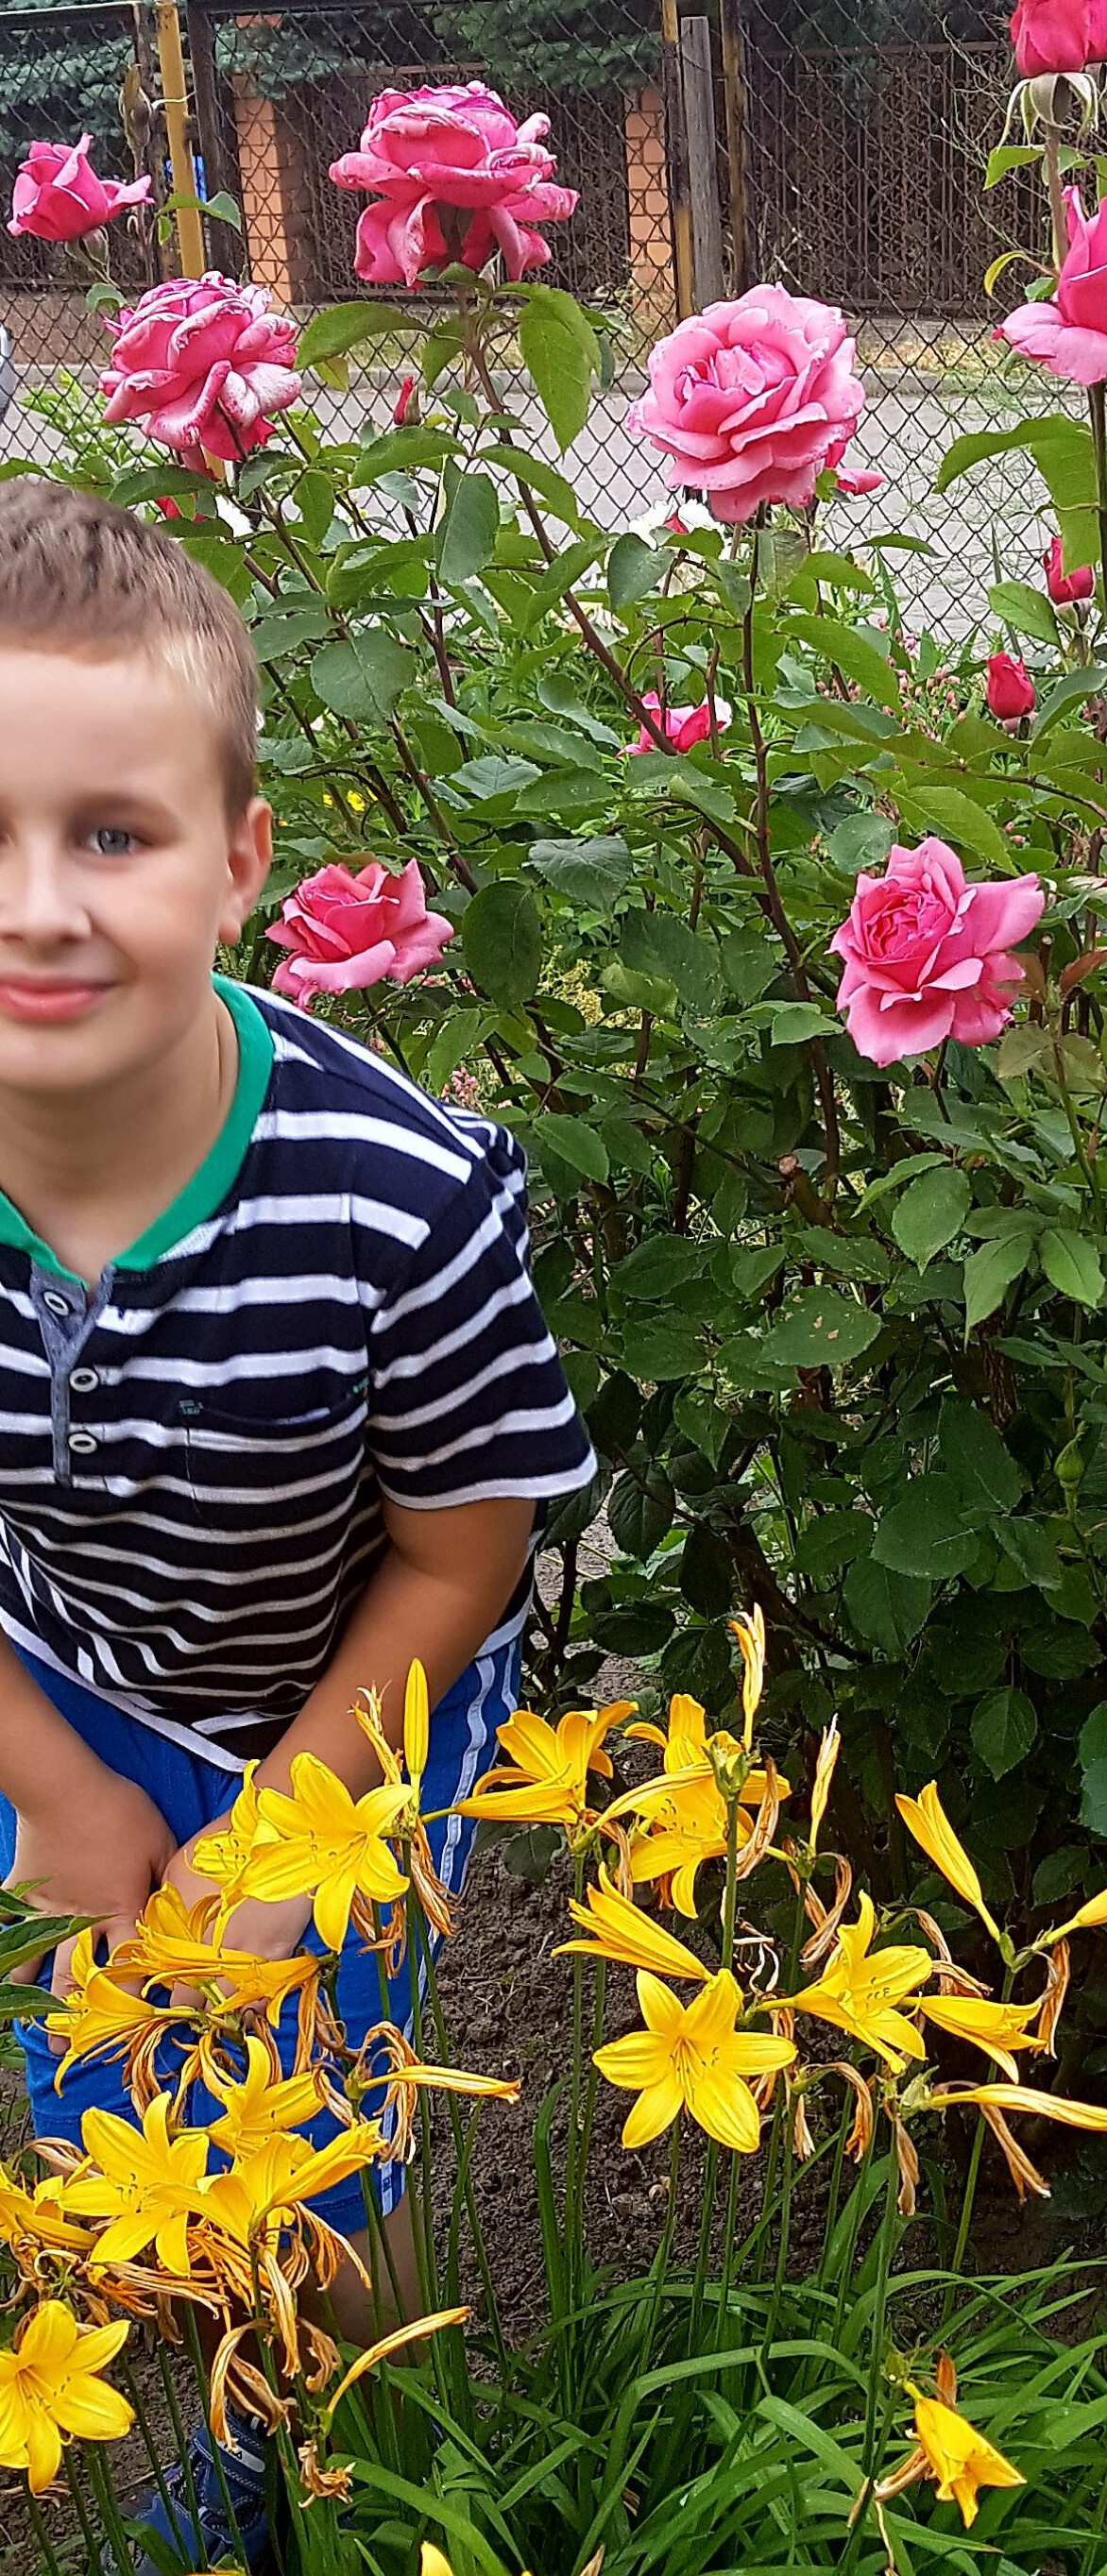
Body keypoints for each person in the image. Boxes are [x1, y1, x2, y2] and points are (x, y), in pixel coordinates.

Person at [0, 481, 595, 2568]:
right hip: (67, 1672)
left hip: (359, 1685)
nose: (37, 910)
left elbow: (465, 1558)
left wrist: (277, 1832)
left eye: (114, 835)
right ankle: (248, 2414)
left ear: (242, 859)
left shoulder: (395, 1199)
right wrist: (61, 1786)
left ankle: (382, 2459)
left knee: (310, 2142)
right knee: (114, 2109)